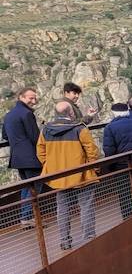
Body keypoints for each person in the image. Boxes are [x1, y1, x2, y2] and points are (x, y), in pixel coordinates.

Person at [37, 101, 100, 250]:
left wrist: (51, 167)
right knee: (86, 207)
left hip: (59, 177)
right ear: (71, 113)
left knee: (63, 209)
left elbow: (41, 152)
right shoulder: (79, 129)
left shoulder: (45, 130)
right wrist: (94, 167)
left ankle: (65, 241)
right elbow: (92, 151)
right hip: (82, 175)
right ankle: (89, 238)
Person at [102, 96, 132, 219]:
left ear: (114, 114)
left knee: (124, 194)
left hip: (121, 166)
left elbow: (109, 150)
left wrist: (110, 167)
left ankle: (128, 218)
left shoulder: (110, 128)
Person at [3, 87, 41, 226]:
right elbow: (34, 137)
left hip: (17, 158)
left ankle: (26, 217)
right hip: (31, 157)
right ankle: (27, 217)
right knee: (34, 187)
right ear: (21, 97)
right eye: (30, 98)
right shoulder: (26, 114)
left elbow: (5, 136)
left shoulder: (8, 115)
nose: (33, 100)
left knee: (26, 187)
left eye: (34, 98)